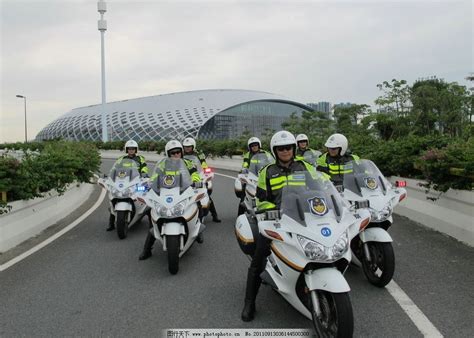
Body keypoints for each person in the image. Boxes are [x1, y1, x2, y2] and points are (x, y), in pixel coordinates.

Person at [241, 130, 320, 322]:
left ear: (293, 149)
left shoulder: (305, 167)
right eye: (280, 148)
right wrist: (271, 210)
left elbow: (319, 189)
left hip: (304, 216)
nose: (285, 151)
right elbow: (261, 201)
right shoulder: (266, 172)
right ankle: (249, 302)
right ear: (274, 151)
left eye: (288, 147)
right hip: (276, 219)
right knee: (259, 258)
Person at [138, 140, 202, 260]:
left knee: (197, 203)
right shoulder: (162, 164)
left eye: (178, 152)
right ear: (168, 154)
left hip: (183, 191)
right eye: (173, 153)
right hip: (166, 192)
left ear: (181, 152)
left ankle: (198, 229)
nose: (176, 154)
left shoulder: (187, 162)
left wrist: (196, 181)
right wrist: (149, 184)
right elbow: (155, 176)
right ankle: (147, 250)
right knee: (153, 213)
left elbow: (194, 174)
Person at [106, 140, 148, 231]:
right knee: (113, 198)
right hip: (123, 181)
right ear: (126, 149)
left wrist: (144, 174)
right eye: (129, 149)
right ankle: (111, 223)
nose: (131, 150)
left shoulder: (140, 158)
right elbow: (114, 168)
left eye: (133, 149)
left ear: (136, 150)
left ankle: (151, 223)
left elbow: (144, 167)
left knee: (147, 196)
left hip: (136, 181)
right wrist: (110, 175)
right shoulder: (121, 159)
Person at [182, 137, 221, 223]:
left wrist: (205, 171)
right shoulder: (181, 155)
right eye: (185, 146)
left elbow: (203, 163)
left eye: (189, 146)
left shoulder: (199, 154)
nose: (187, 148)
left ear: (193, 146)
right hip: (185, 178)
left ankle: (214, 215)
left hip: (198, 177)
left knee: (206, 195)